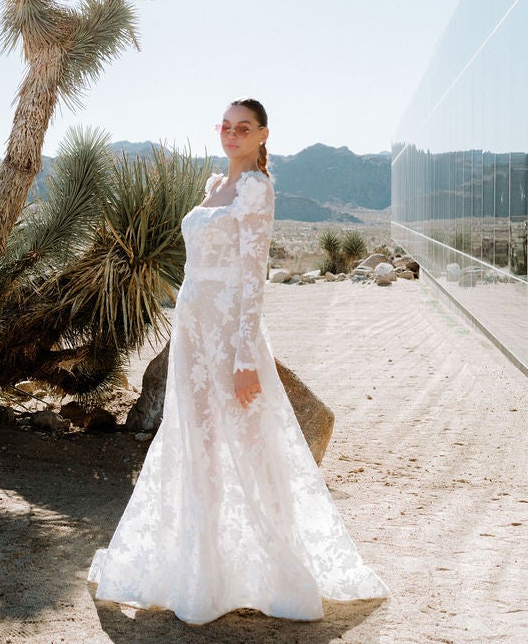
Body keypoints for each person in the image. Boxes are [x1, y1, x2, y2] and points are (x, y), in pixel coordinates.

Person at [88, 97, 388, 624]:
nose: (231, 134)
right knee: (194, 437)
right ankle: (199, 569)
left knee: (249, 442)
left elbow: (253, 276)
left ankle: (269, 567)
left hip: (229, 335)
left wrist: (246, 357)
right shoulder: (213, 186)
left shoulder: (256, 188)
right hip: (193, 329)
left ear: (262, 136)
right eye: (225, 126)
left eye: (242, 128)